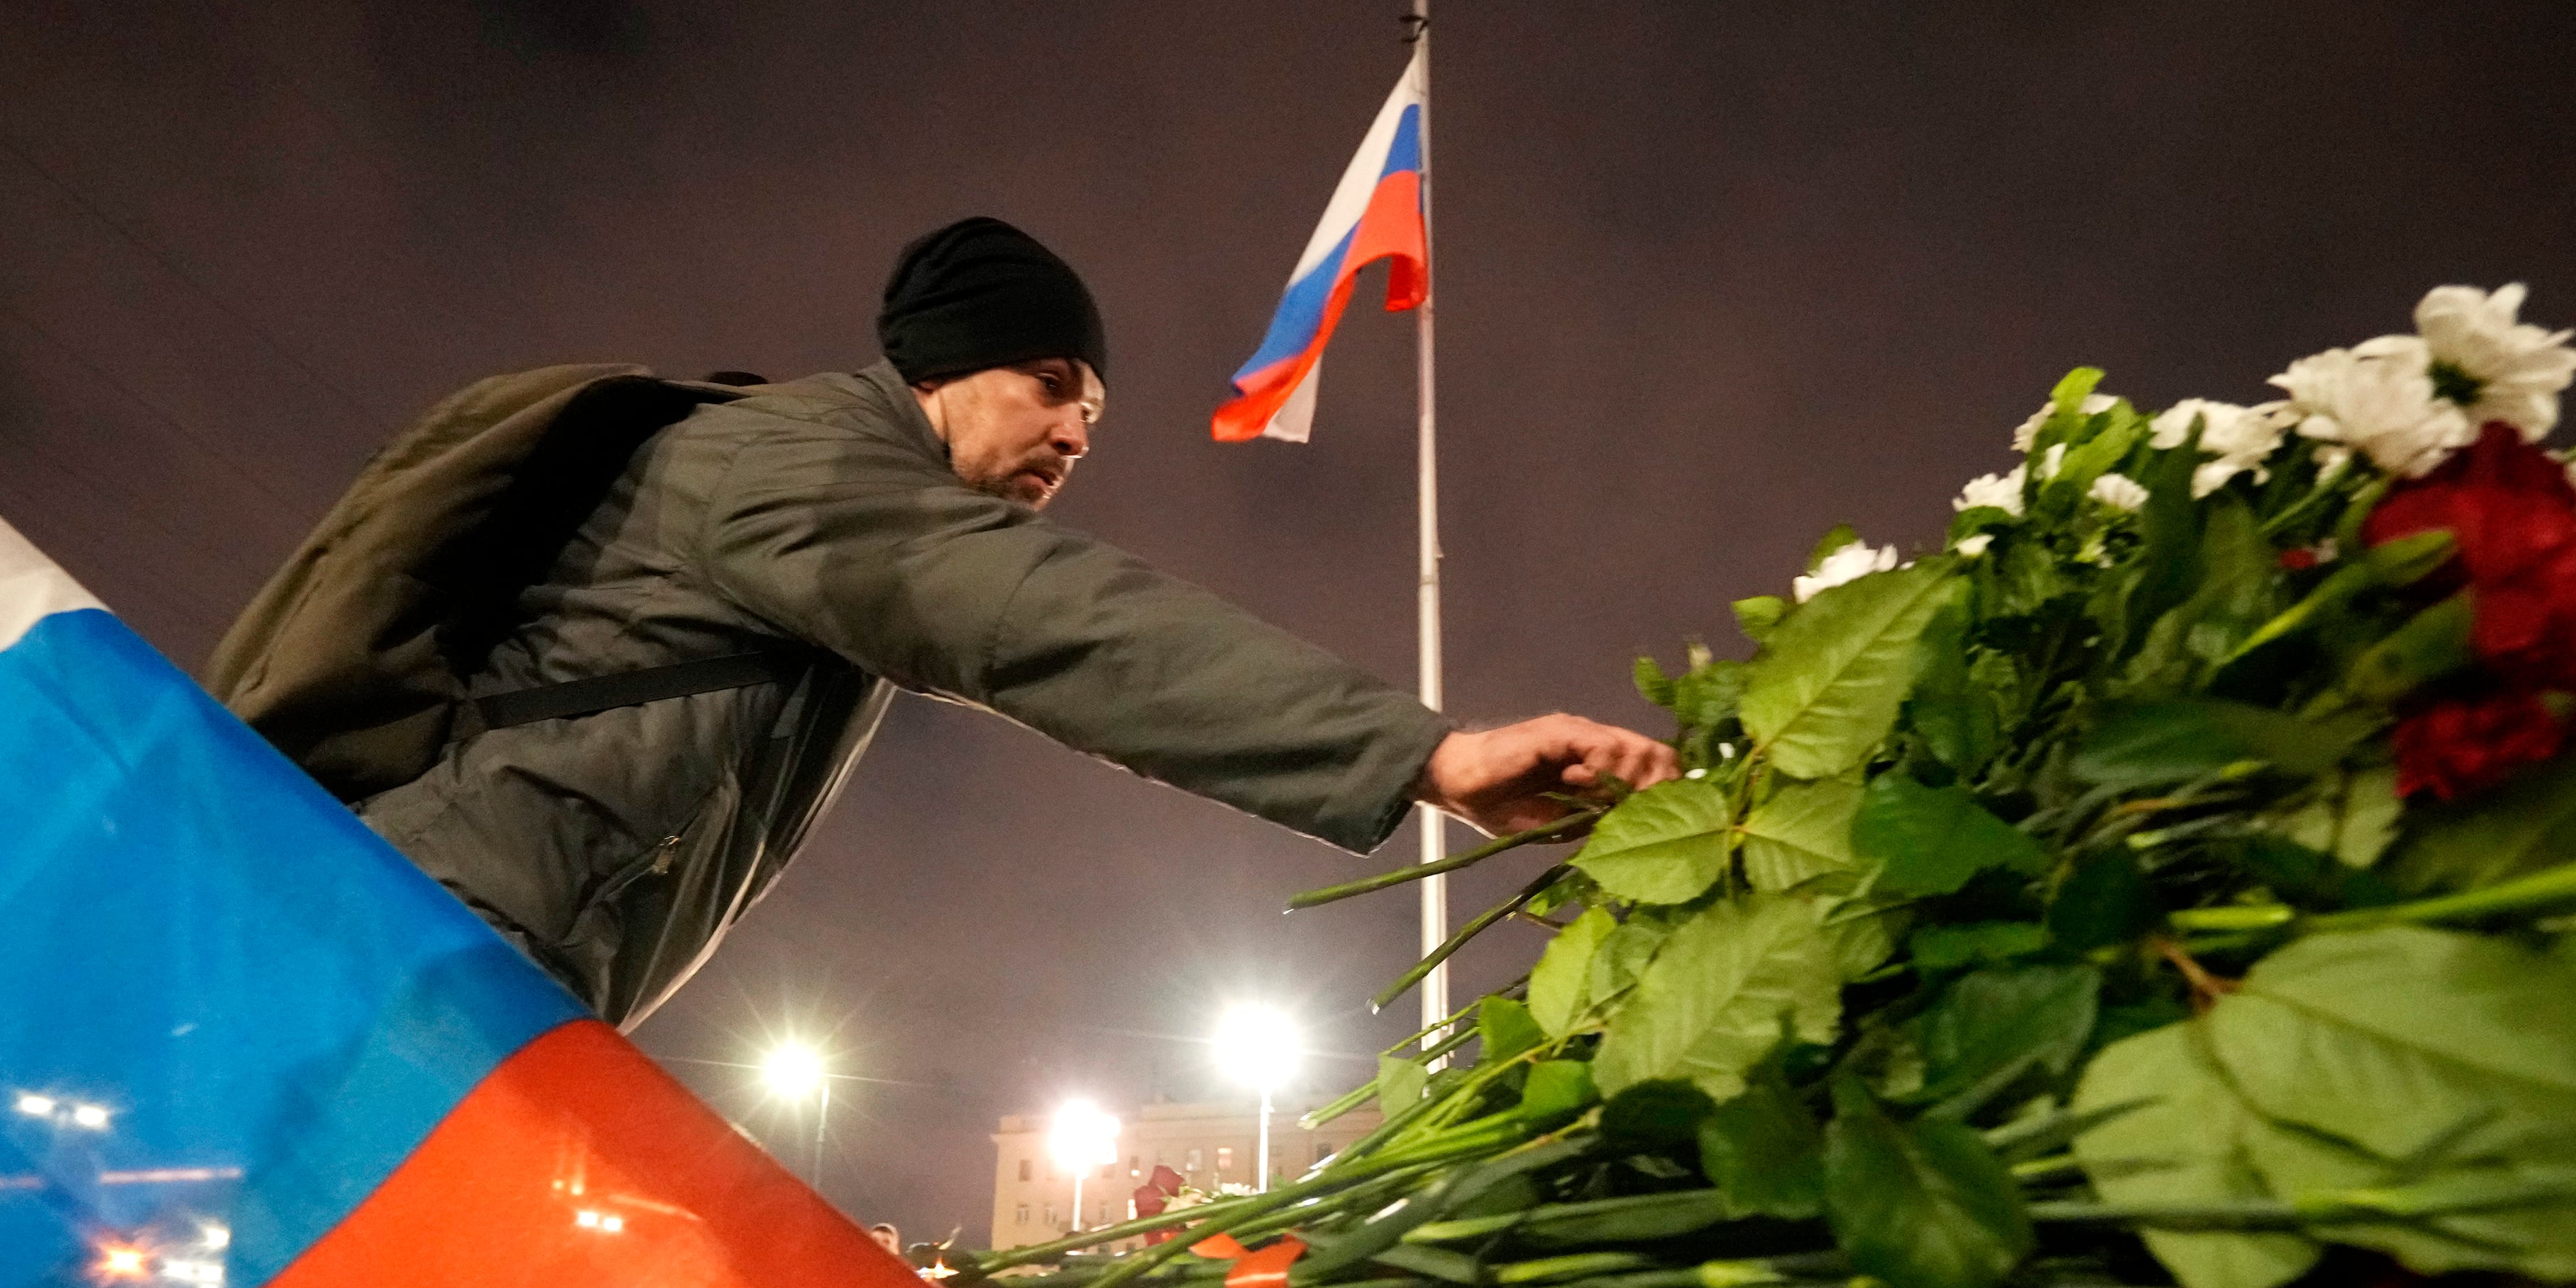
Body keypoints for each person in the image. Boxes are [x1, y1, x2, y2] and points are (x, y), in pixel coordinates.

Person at [307, 218, 1678, 1025]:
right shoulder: (790, 466)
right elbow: (1051, 624)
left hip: (482, 965)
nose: (1078, 429)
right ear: (943, 367)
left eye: (1093, 410)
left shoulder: (821, 491)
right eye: (1049, 381)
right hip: (426, 958)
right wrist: (1427, 753)